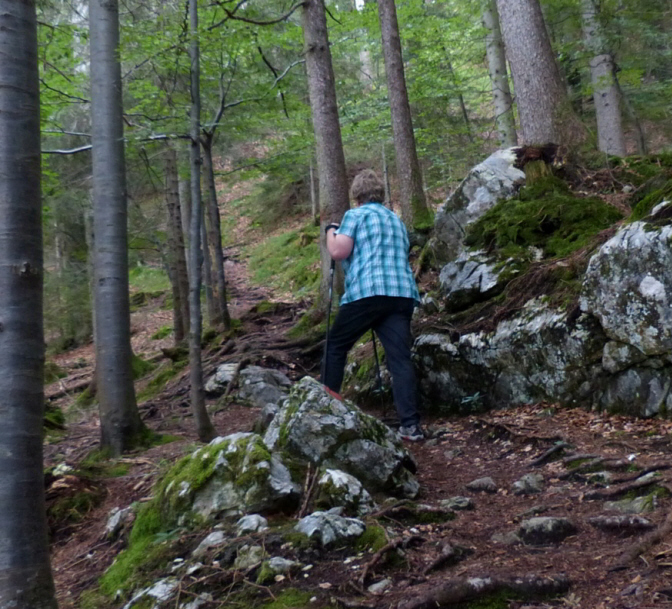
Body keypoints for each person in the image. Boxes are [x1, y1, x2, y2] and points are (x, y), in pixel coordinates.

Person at [321, 169, 424, 441]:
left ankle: (326, 410)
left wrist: (331, 231)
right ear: (380, 194)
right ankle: (410, 426)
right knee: (400, 359)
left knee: (336, 345)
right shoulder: (396, 220)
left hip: (368, 292)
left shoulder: (355, 215)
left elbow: (338, 251)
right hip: (401, 293)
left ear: (357, 197)